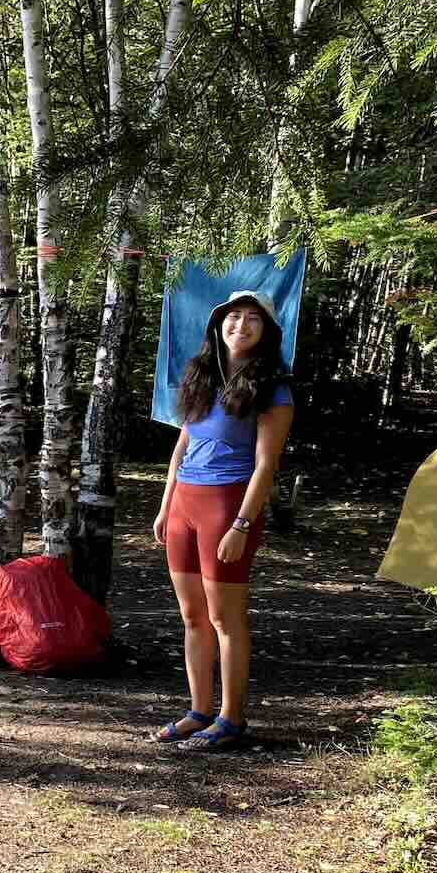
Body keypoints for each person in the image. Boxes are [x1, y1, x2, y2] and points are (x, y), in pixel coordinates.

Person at [151, 290, 294, 750]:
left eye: (253, 319)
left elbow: (266, 466)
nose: (241, 325)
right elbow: (182, 447)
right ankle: (199, 710)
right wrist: (165, 504)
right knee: (192, 615)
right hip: (184, 505)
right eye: (234, 316)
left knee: (225, 618)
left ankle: (231, 719)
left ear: (265, 331)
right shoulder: (201, 375)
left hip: (227, 504)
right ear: (218, 324)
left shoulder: (274, 387)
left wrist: (242, 525)